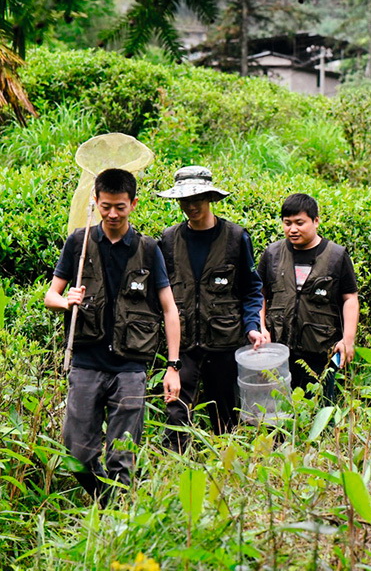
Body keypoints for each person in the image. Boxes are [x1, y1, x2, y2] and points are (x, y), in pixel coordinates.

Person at [44, 168, 181, 501]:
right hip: (87, 363)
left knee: (122, 455)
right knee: (76, 452)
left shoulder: (149, 249)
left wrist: (173, 366)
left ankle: (114, 518)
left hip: (130, 368)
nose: (113, 214)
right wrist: (66, 302)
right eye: (106, 206)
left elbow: (169, 309)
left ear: (133, 203)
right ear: (96, 201)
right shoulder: (79, 241)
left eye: (120, 206)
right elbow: (50, 295)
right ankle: (106, 500)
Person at [156, 166, 265, 451]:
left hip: (225, 344)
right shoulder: (168, 240)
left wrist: (253, 326)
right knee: (175, 415)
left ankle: (226, 474)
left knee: (225, 418)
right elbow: (159, 292)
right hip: (183, 346)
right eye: (185, 200)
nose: (191, 206)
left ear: (210, 199)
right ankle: (172, 473)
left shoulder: (235, 238)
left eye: (198, 199)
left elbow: (252, 289)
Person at [258, 193, 359, 401]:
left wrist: (348, 339)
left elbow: (350, 298)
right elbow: (260, 295)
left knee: (321, 408)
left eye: (299, 223)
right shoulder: (273, 254)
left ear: (315, 221)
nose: (292, 229)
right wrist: (261, 328)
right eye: (287, 223)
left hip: (321, 349)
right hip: (278, 349)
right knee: (279, 411)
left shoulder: (336, 255)